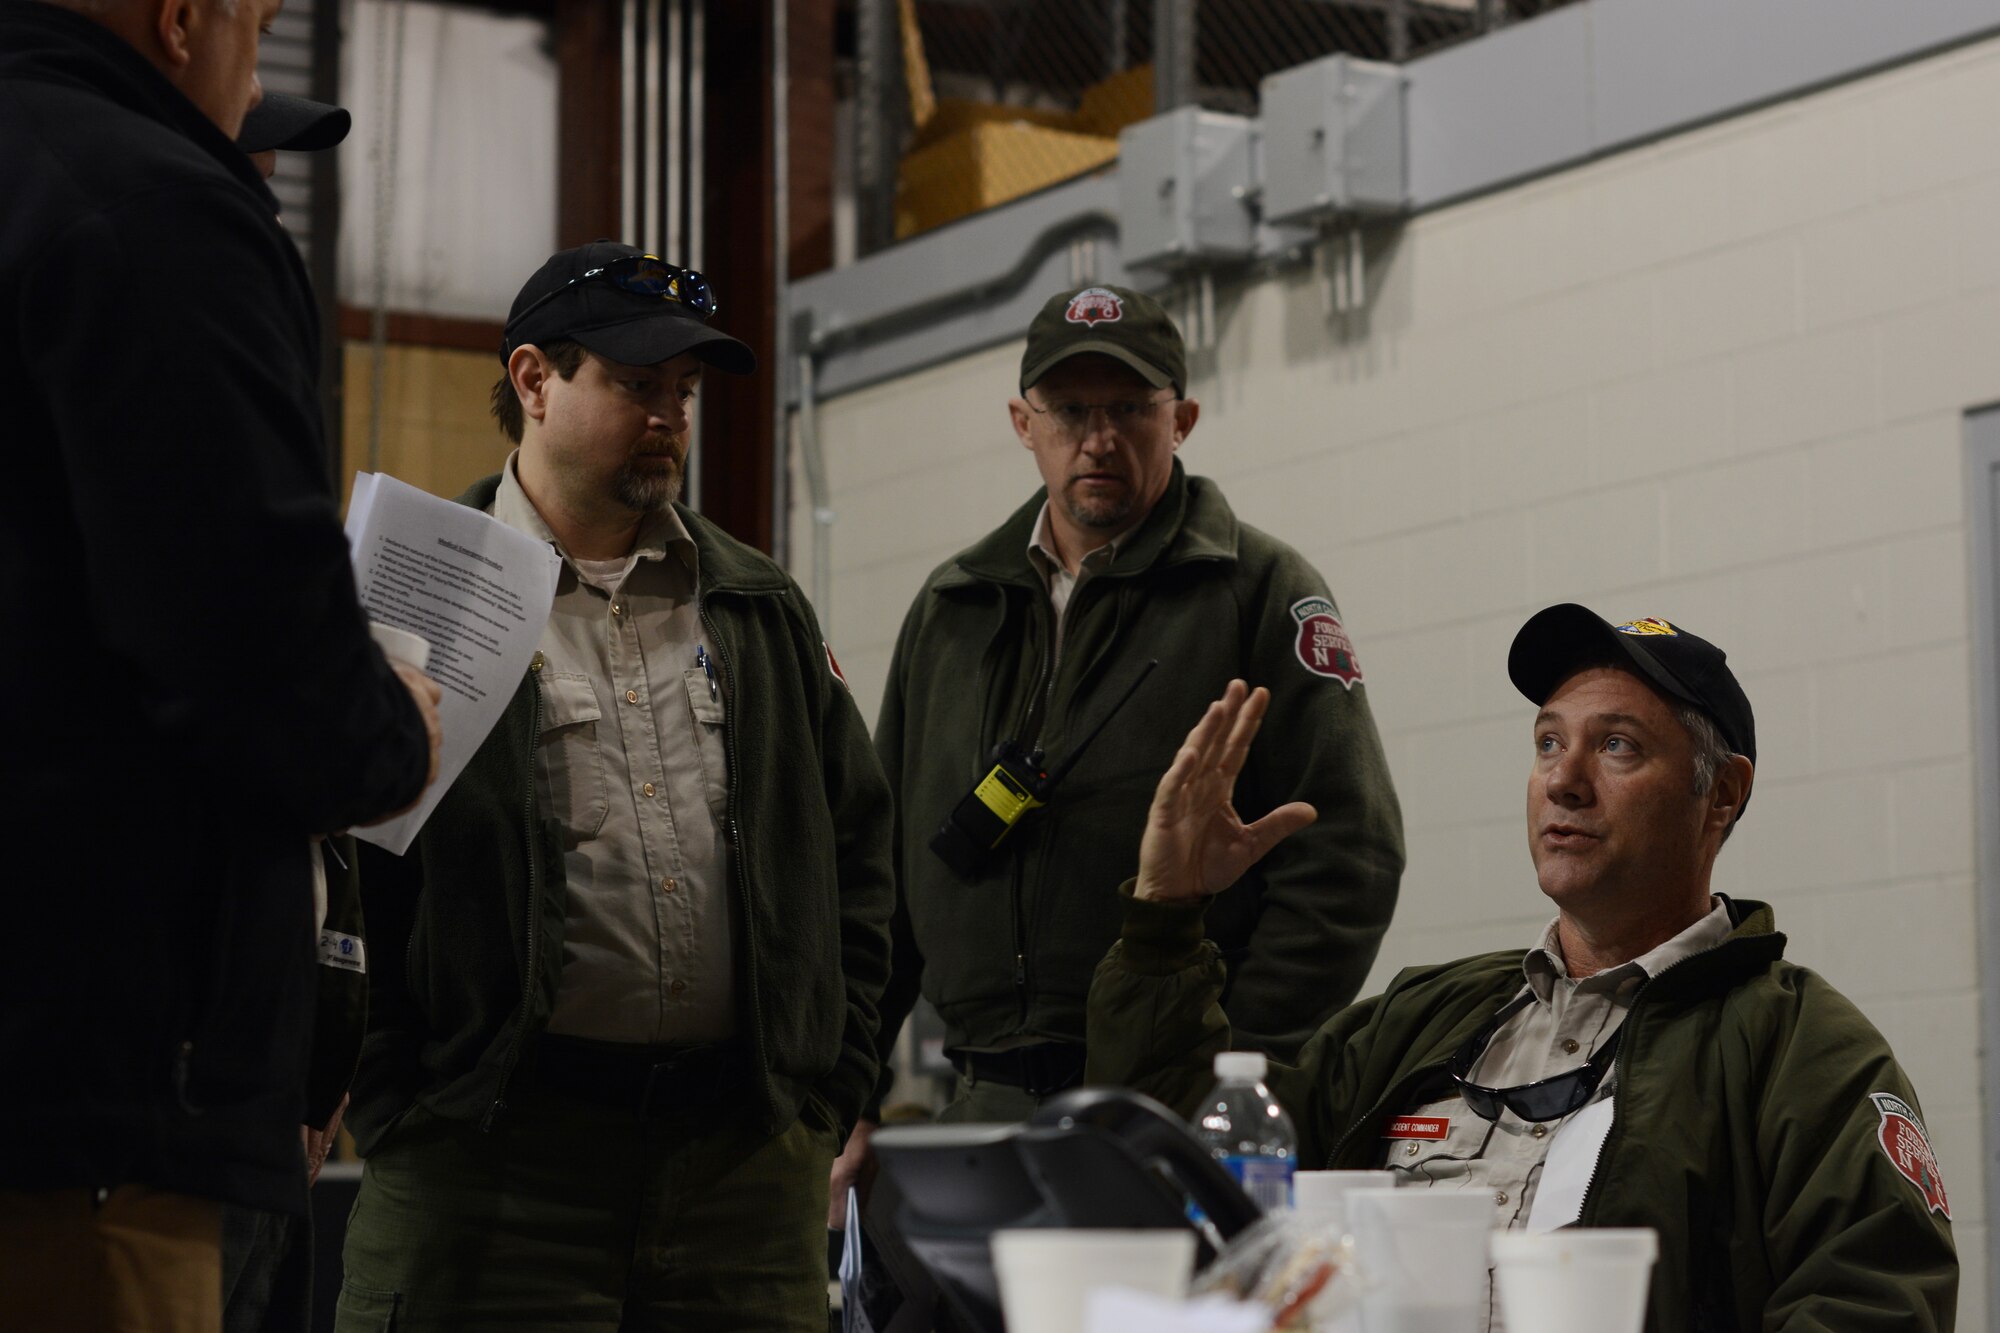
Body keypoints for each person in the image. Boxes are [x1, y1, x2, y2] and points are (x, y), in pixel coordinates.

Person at [1090, 604, 1957, 1330]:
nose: (1564, 780)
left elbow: (1876, 1302)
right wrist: (1164, 915)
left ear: (1721, 792)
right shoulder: (1426, 1014)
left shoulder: (1801, 1050)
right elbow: (1177, 1165)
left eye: (1616, 746)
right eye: (1549, 742)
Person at [336, 241, 896, 1332]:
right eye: (637, 385)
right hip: (493, 1166)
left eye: (682, 392)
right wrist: (393, 1093)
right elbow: (339, 862)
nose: (670, 416)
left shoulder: (755, 602)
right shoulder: (420, 592)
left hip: (740, 1171)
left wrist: (830, 1085)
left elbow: (855, 851)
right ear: (535, 379)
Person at [0, 3, 441, 1330]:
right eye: (254, 24)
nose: (251, 87)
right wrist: (391, 723)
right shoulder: (147, 208)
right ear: (183, 20)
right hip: (95, 1099)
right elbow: (259, 662)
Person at [839, 283, 1404, 1209]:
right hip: (977, 1101)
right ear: (1024, 423)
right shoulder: (955, 606)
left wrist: (1228, 1067)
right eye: (1069, 410)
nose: (1098, 438)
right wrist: (848, 1092)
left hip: (1165, 1108)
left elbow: (1350, 855)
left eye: (1131, 408)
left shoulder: (1255, 589)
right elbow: (882, 874)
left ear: (1180, 418)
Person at [219, 92, 369, 1333]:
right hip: (166, 1087)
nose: (265, 195)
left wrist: (322, 1069)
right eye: (248, 162)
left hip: (270, 1086)